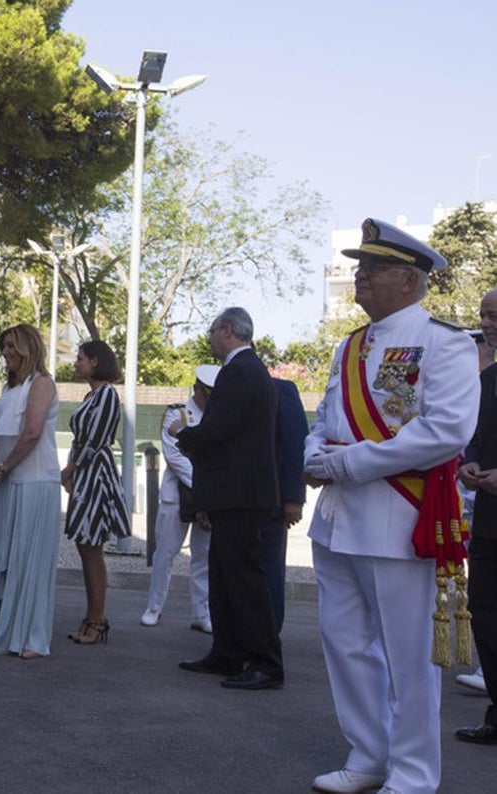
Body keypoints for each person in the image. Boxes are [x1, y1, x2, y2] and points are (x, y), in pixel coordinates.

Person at [304, 219, 478, 794]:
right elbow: (328, 420)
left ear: (409, 279)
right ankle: (368, 757)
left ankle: (413, 774)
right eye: (360, 267)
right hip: (337, 521)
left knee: (408, 658)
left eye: (372, 269)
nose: (360, 277)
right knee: (346, 646)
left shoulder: (444, 342)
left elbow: (446, 430)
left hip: (400, 520)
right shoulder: (350, 345)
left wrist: (348, 464)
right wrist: (313, 452)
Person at [173, 306, 283, 691]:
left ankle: (265, 663)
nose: (209, 337)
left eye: (212, 330)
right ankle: (227, 653)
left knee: (243, 580)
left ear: (227, 331)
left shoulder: (240, 372)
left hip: (240, 494)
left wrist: (180, 434)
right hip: (235, 493)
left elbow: (218, 432)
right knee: (224, 577)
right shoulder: (246, 371)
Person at [0, 324, 60, 657]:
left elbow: (32, 433)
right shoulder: (10, 389)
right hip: (8, 482)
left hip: (35, 483)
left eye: (11, 345)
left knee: (29, 560)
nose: (6, 351)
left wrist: (4, 468)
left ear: (27, 348)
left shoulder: (42, 384)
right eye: (4, 345)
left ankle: (31, 636)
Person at [61, 340, 130, 645]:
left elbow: (96, 440)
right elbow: (82, 441)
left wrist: (72, 468)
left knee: (92, 548)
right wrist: (72, 468)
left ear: (96, 362)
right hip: (87, 476)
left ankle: (97, 619)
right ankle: (92, 618)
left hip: (96, 478)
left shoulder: (107, 396)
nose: (76, 363)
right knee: (86, 548)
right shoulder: (94, 395)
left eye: (81, 358)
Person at [142, 365, 218, 633]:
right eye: (207, 394)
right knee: (165, 552)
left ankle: (201, 613)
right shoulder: (178, 413)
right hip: (179, 496)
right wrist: (206, 485)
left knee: (203, 556)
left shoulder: (217, 417)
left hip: (207, 498)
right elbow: (175, 457)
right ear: (197, 389)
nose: (209, 400)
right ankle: (154, 608)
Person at [453, 289, 497, 746]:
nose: (487, 322)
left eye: (494, 315)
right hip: (488, 520)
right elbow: (480, 436)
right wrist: (470, 463)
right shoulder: (490, 380)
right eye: (484, 315)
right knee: (485, 615)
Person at [257, 377, 309, 633]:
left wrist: (294, 497)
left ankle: (268, 640)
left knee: (269, 573)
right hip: (233, 502)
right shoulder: (225, 387)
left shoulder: (281, 389)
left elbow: (295, 442)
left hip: (270, 502)